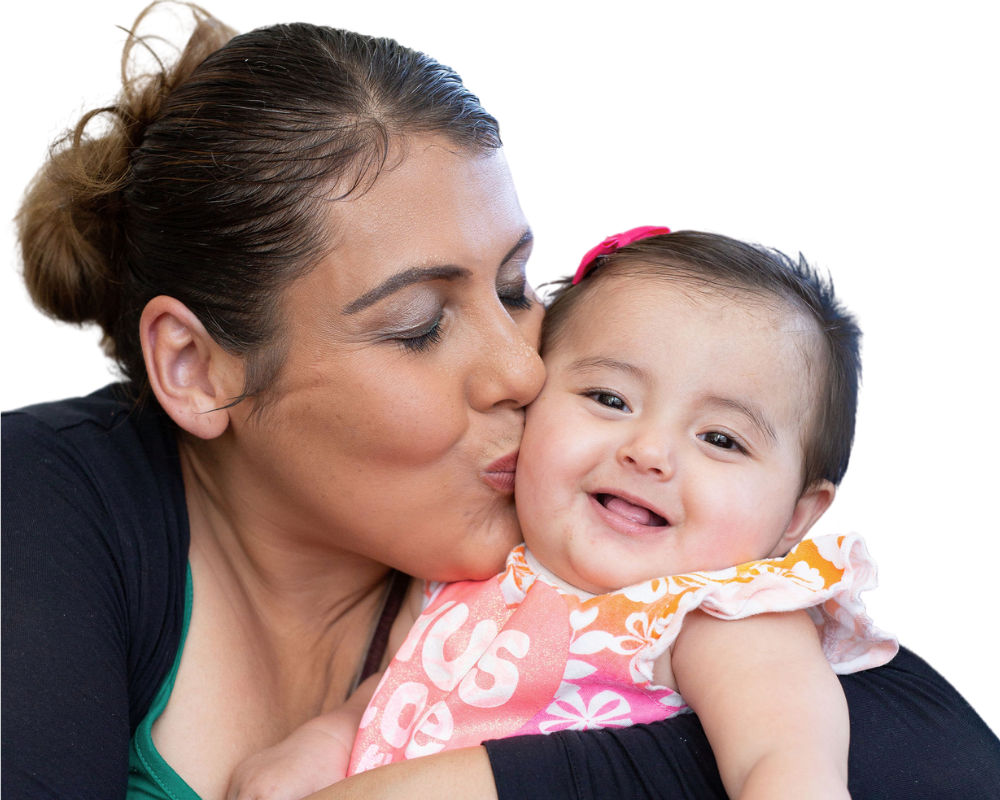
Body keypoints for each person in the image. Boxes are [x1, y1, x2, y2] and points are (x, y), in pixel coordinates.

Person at [2, 4, 997, 800]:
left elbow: (934, 755)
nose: (526, 370)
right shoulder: (51, 498)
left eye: (520, 285)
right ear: (196, 366)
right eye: (420, 324)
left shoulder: (603, 548)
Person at [224, 226, 897, 800]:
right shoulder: (479, 558)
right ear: (531, 399)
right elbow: (395, 686)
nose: (648, 452)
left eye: (720, 439)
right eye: (608, 398)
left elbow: (786, 761)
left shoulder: (714, 615)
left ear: (795, 517)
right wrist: (322, 742)